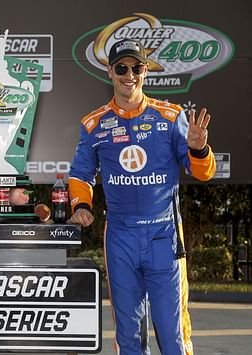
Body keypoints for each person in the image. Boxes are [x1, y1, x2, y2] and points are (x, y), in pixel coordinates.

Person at [68, 39, 216, 355]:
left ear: (145, 71)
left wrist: (199, 147)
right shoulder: (94, 124)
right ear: (110, 71)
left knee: (173, 333)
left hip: (164, 236)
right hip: (120, 237)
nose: (129, 75)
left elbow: (202, 172)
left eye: (136, 67)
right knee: (129, 335)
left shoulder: (170, 116)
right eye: (121, 67)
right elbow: (80, 175)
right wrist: (81, 204)